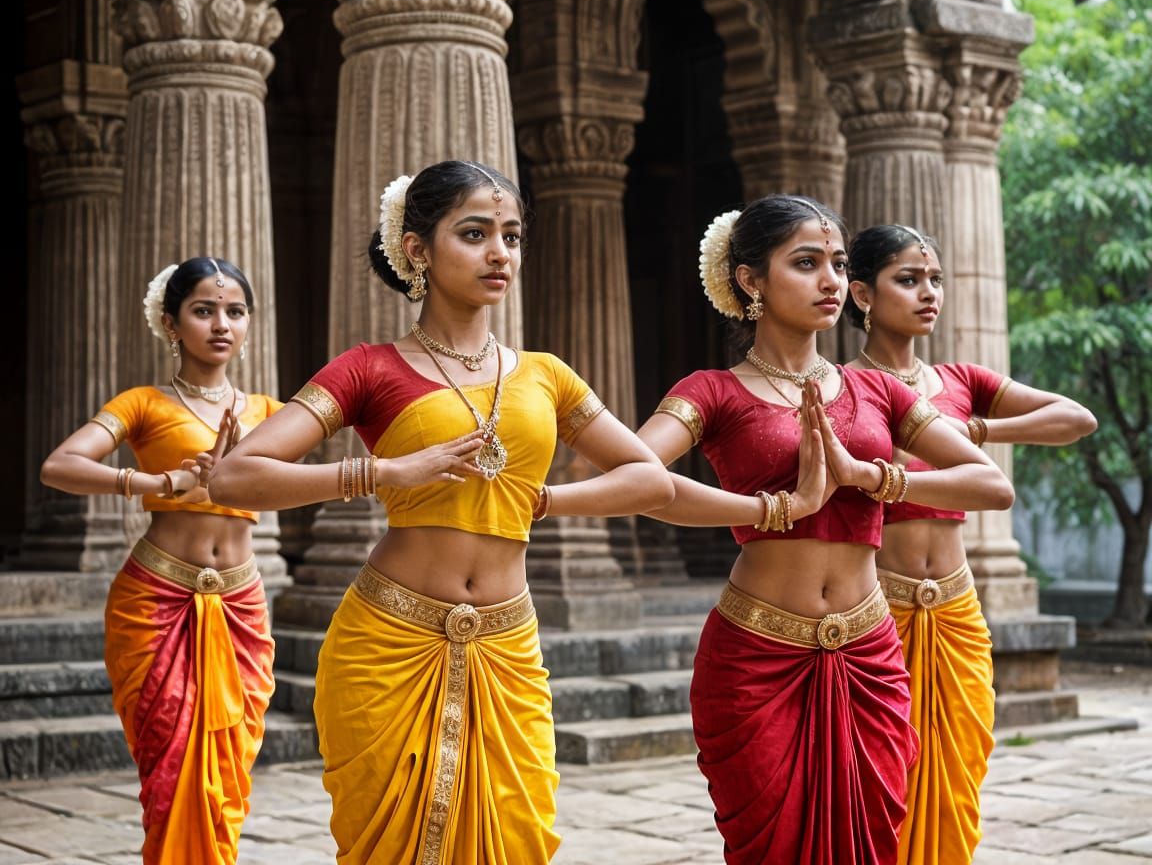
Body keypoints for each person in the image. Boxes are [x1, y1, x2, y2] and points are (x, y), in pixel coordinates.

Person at [209, 159, 674, 865]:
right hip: (388, 641)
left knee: (517, 836)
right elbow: (236, 477)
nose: (500, 253)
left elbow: (649, 479)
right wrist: (381, 472)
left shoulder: (546, 374)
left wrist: (543, 498)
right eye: (475, 233)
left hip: (508, 645)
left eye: (512, 236)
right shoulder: (368, 369)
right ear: (418, 249)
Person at [635, 195, 1016, 865]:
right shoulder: (713, 391)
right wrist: (774, 508)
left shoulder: (880, 393)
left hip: (870, 653)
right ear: (751, 280)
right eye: (806, 263)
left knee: (872, 842)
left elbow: (993, 485)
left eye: (838, 264)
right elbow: (639, 482)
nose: (831, 280)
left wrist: (874, 478)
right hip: (756, 657)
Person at [842, 223, 1097, 865]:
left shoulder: (960, 380)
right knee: (879, 769)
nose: (929, 293)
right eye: (908, 279)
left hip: (956, 607)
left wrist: (973, 427)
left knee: (958, 764)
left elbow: (1076, 418)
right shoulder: (843, 386)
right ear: (862, 294)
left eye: (935, 280)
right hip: (877, 606)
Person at [40, 257, 282, 864]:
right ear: (172, 325)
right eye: (203, 310)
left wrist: (240, 475)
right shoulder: (144, 403)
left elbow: (297, 484)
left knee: (227, 771)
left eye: (235, 311)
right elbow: (60, 466)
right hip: (156, 601)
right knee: (172, 769)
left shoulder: (270, 413)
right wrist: (157, 482)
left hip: (240, 608)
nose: (221, 324)